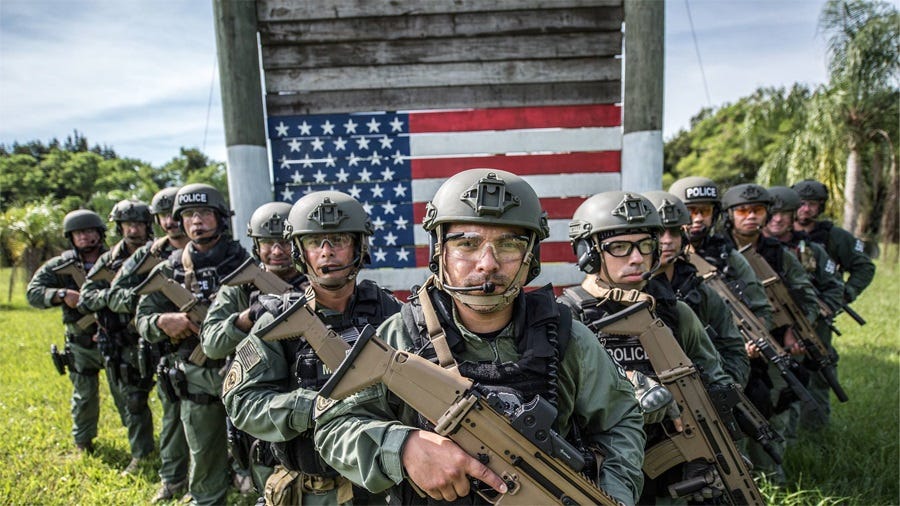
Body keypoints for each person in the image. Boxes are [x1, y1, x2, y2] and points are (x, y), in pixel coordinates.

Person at [312, 170, 645, 505]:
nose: (488, 264)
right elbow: (333, 425)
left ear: (531, 255)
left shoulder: (567, 335)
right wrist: (403, 447)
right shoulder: (400, 335)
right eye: (467, 244)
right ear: (439, 250)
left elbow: (620, 422)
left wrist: (614, 496)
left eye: (509, 244)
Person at [222, 191, 402, 505]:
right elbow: (241, 400)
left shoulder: (391, 313)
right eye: (315, 243)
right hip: (312, 489)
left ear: (359, 247)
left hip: (383, 487)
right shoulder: (281, 321)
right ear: (299, 252)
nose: (327, 252)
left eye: (339, 240)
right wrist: (309, 408)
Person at [557, 190, 734, 503]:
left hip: (674, 463)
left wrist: (710, 449)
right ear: (590, 253)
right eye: (620, 248)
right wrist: (629, 388)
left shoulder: (674, 312)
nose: (636, 258)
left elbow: (715, 379)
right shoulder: (568, 317)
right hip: (601, 467)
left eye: (645, 245)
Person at [135, 183, 249, 506]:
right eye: (188, 215)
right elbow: (141, 318)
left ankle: (249, 479)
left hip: (245, 368)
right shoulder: (168, 270)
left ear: (220, 218)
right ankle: (207, 496)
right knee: (201, 448)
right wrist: (162, 322)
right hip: (195, 371)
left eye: (204, 213)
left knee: (256, 446)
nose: (195, 221)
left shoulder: (245, 263)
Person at [201, 201, 310, 500]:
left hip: (306, 393)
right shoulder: (239, 287)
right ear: (256, 246)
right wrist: (247, 317)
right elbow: (210, 344)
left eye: (285, 243)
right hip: (258, 399)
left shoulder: (316, 281)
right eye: (267, 243)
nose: (277, 251)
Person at [719, 183, 819, 483]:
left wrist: (793, 333)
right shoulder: (715, 253)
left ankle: (772, 482)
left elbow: (806, 298)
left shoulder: (779, 255)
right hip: (726, 347)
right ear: (729, 215)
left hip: (772, 344)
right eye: (743, 211)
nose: (751, 216)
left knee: (774, 411)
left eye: (758, 210)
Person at [110, 187, 191, 502]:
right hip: (166, 347)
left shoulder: (212, 250)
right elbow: (116, 295)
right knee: (172, 414)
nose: (171, 222)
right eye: (163, 216)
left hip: (211, 347)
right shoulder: (151, 256)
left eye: (175, 214)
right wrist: (156, 308)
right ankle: (173, 479)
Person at [77, 199, 156, 476]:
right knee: (133, 401)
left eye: (137, 224)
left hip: (162, 338)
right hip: (125, 341)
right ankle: (141, 453)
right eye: (127, 225)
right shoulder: (109, 261)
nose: (132, 230)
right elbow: (86, 299)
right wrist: (125, 298)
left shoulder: (161, 252)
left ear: (148, 225)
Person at [644, 190, 749, 387]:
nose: (667, 240)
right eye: (658, 232)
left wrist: (727, 391)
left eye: (675, 231)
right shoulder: (629, 292)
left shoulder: (703, 292)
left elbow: (734, 350)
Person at [27, 209, 108, 454]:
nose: (83, 237)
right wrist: (60, 294)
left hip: (115, 339)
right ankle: (83, 441)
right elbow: (33, 292)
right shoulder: (61, 265)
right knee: (83, 395)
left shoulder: (114, 259)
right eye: (77, 233)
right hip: (80, 341)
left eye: (88, 231)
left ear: (99, 233)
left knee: (128, 395)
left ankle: (141, 447)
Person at [764, 186, 844, 430]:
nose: (778, 219)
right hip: (765, 325)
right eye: (773, 213)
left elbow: (834, 287)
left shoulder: (811, 250)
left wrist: (819, 313)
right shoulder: (751, 249)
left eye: (784, 214)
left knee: (808, 377)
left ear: (793, 216)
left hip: (806, 325)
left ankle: (813, 433)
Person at [668, 176, 774, 330]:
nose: (698, 218)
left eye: (704, 211)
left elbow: (761, 308)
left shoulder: (729, 256)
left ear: (714, 213)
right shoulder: (662, 256)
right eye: (690, 211)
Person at [791, 179, 875, 304]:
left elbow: (864, 267)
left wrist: (845, 294)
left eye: (812, 204)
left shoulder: (835, 236)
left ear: (820, 207)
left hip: (820, 302)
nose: (806, 209)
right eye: (801, 203)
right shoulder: (780, 233)